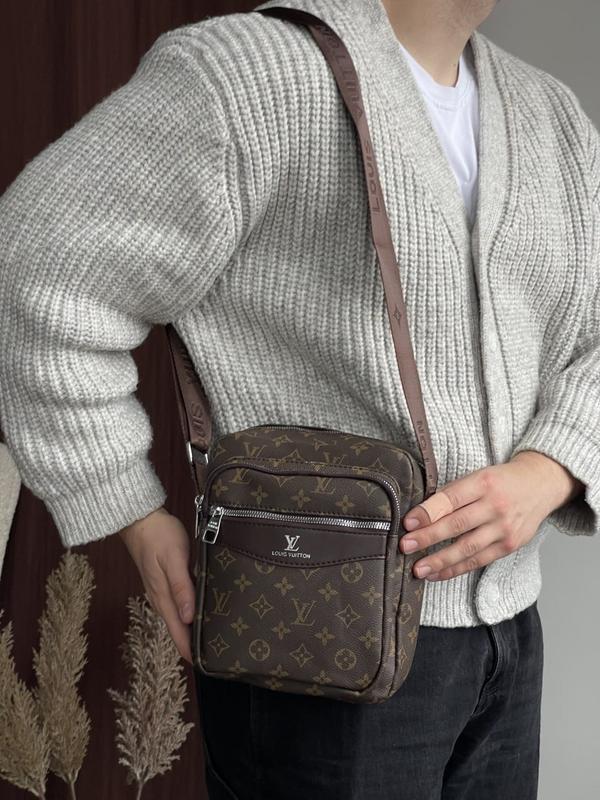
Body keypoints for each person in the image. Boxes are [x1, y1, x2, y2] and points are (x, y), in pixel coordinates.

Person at [0, 0, 598, 797]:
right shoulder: (247, 75)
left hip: (508, 639)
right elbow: (34, 270)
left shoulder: (552, 119)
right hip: (315, 641)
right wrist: (129, 509)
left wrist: (553, 468)